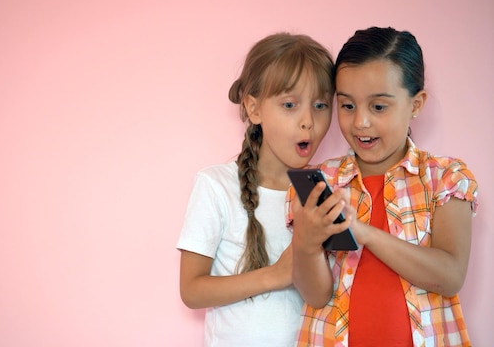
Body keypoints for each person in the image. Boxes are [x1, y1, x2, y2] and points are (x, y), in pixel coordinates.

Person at [289, 26, 479, 346]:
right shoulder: (323, 182)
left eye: (378, 107)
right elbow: (316, 296)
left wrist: (362, 232)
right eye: (347, 106)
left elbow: (450, 276)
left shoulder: (445, 178)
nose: (360, 122)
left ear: (416, 105)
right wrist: (306, 245)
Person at [176, 32, 334, 346]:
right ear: (254, 108)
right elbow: (192, 291)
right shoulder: (216, 185)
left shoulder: (321, 191)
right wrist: (275, 275)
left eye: (320, 105)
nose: (308, 121)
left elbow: (324, 296)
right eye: (289, 104)